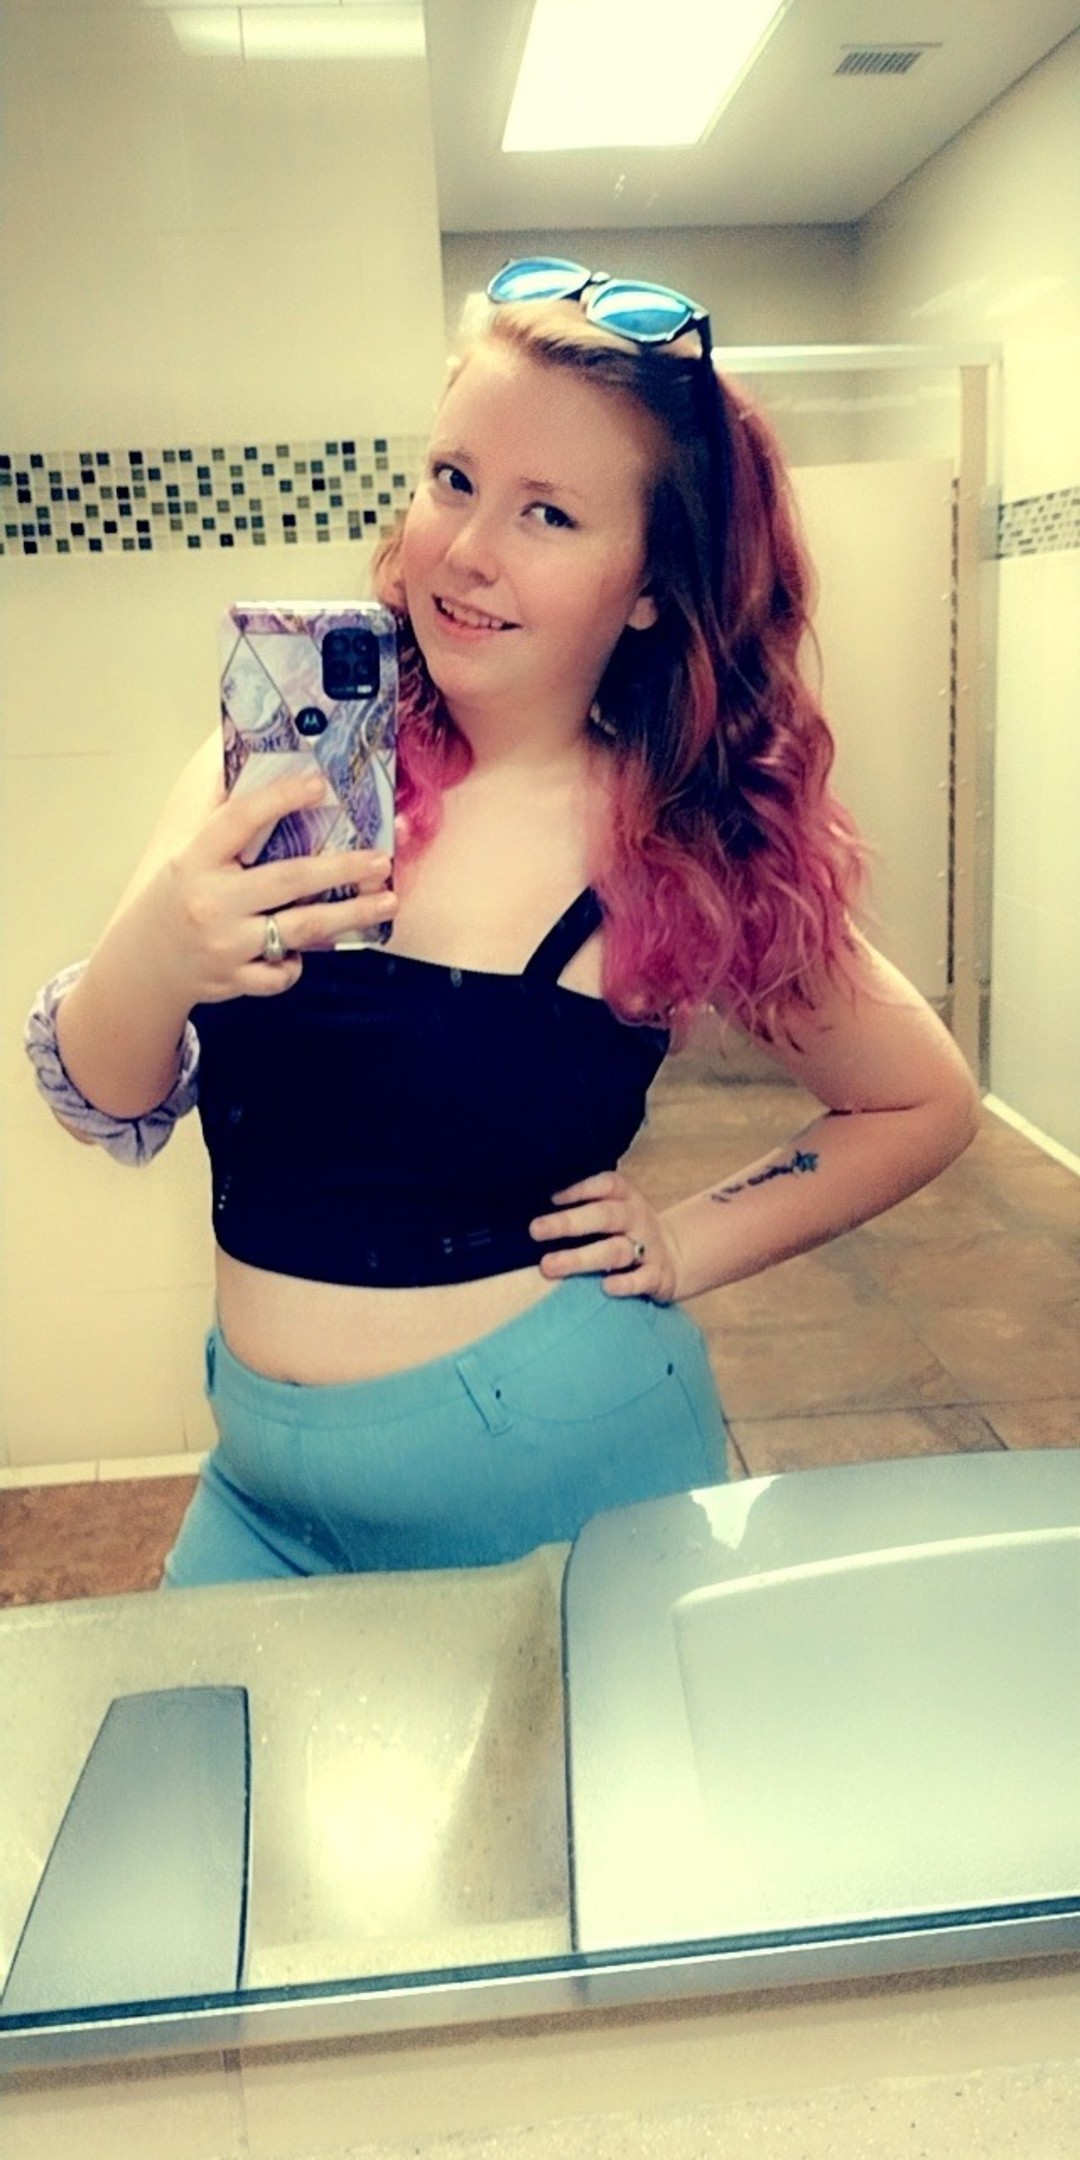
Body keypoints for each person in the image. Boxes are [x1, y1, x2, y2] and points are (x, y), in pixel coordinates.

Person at [24, 261, 981, 1587]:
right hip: (259, 1497)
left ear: (650, 583)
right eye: (454, 479)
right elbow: (106, 1098)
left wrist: (688, 1238)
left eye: (549, 512)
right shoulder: (279, 770)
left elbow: (920, 1101)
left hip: (553, 1487)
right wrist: (159, 949)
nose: (468, 550)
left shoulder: (675, 837)